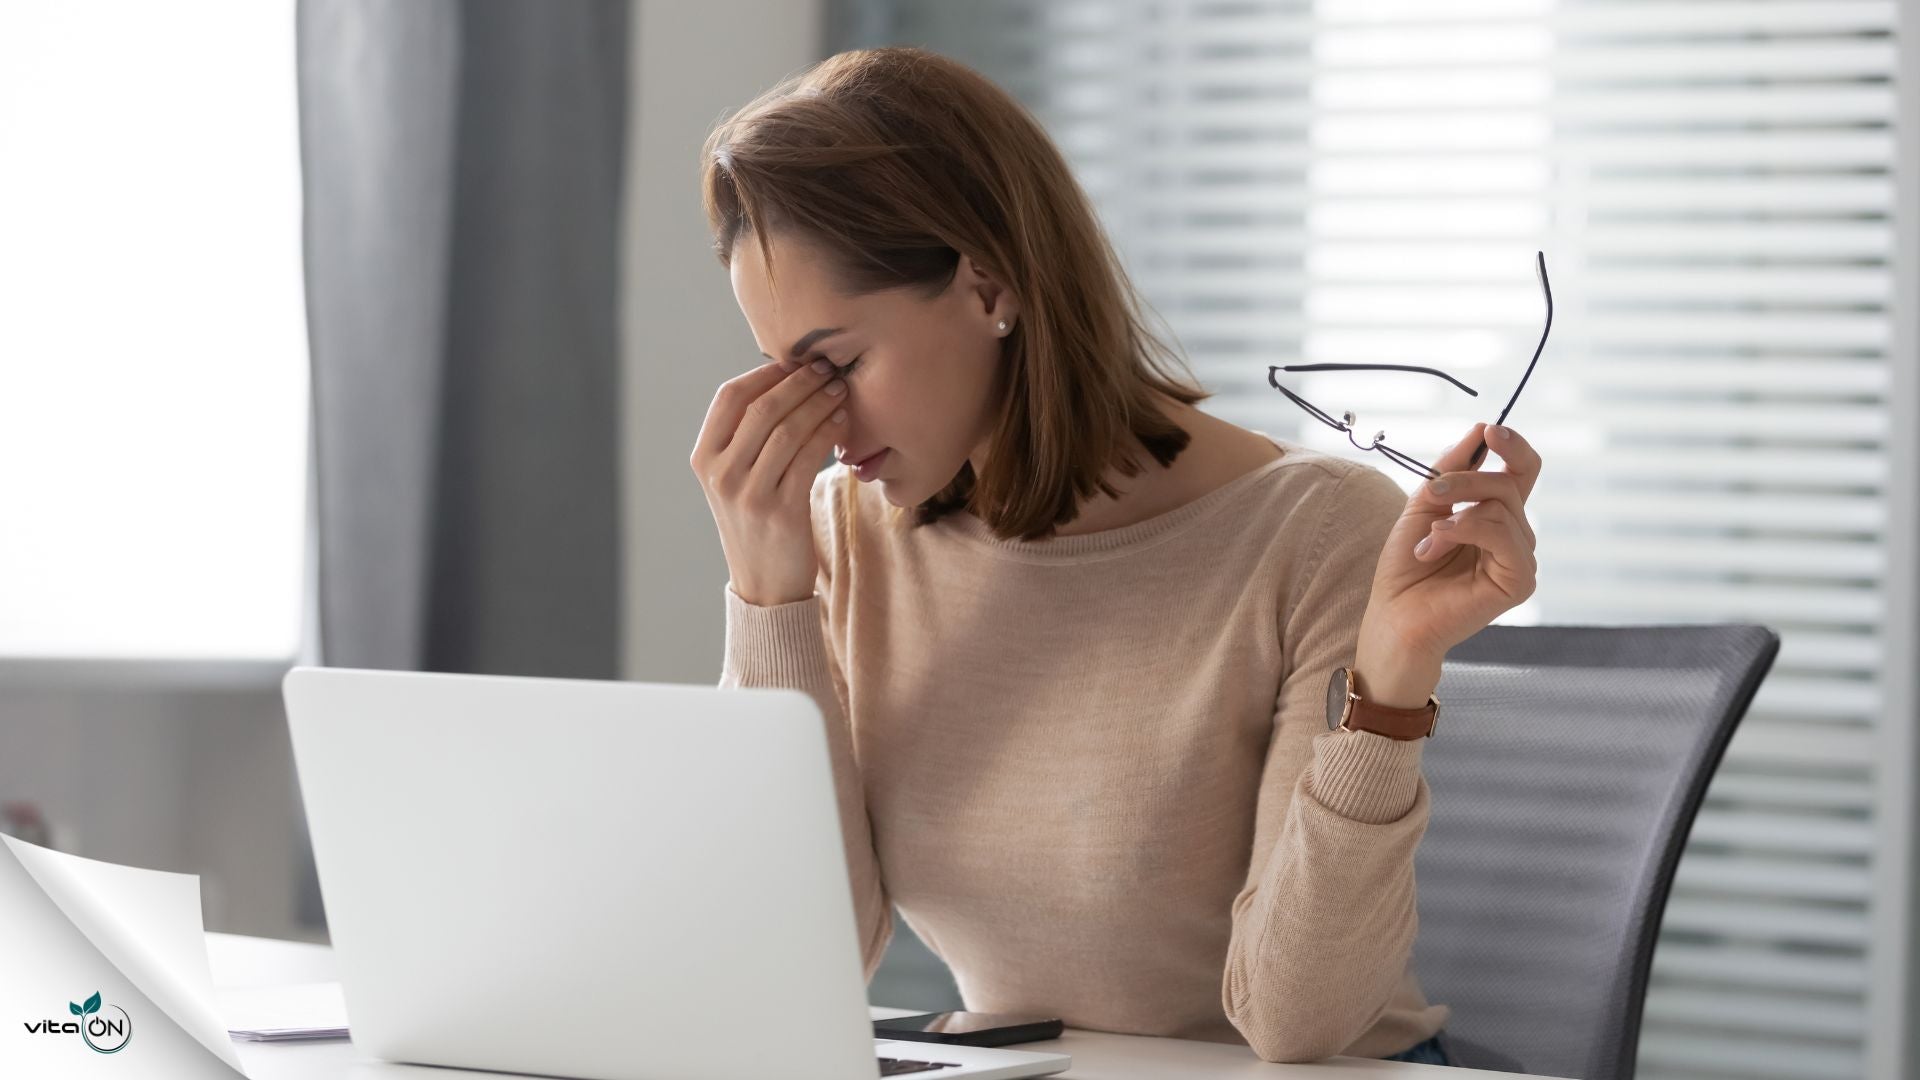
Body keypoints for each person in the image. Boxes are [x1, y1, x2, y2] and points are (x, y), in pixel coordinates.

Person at [691, 46, 1540, 1067]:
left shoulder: (1312, 531)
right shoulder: (846, 536)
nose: (823, 424)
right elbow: (810, 959)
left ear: (989, 285)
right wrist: (770, 596)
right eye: (785, 372)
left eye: (837, 363)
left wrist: (1393, 686)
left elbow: (1296, 1024)